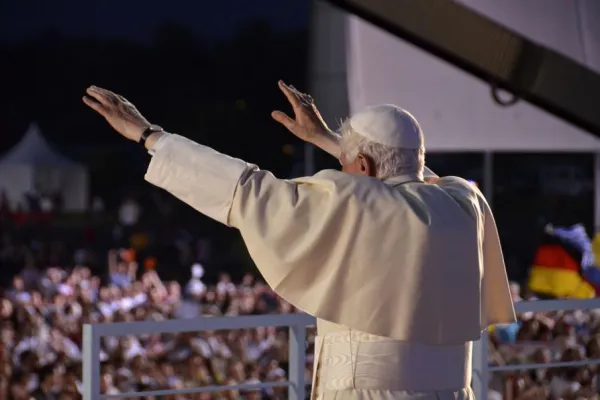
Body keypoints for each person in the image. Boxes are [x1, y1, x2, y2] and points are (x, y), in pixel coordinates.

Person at [83, 81, 516, 400]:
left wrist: (148, 135)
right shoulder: (463, 202)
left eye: (349, 163)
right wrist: (330, 140)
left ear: (360, 165)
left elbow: (245, 189)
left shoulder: (356, 205)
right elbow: (406, 175)